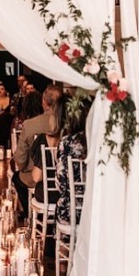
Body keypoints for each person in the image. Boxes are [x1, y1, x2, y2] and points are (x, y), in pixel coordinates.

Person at [13, 83, 63, 219]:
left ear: (44, 102)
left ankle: (30, 214)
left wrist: (23, 167)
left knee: (16, 178)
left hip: (36, 177)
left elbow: (21, 157)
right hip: (63, 178)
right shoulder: (67, 123)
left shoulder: (30, 124)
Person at [55, 96, 92, 225]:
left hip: (72, 212)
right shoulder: (101, 141)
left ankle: (63, 243)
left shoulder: (66, 142)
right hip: (96, 209)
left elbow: (61, 184)